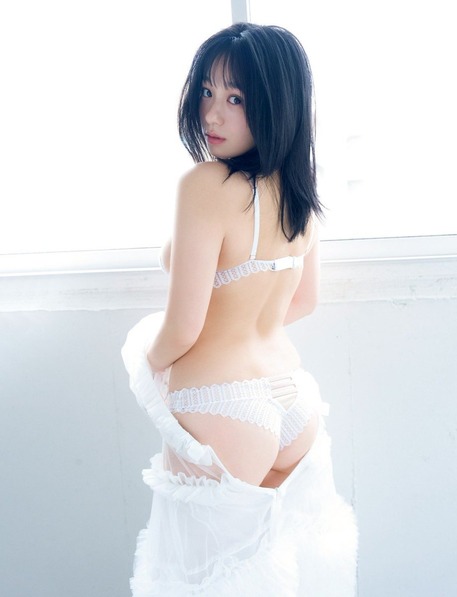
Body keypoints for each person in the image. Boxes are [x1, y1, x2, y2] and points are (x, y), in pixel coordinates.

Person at [122, 22, 357, 596]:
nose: (212, 113)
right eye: (207, 91)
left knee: (200, 583)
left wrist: (148, 367)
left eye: (236, 98)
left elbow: (184, 326)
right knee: (281, 573)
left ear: (276, 105)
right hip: (292, 401)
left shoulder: (206, 185)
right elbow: (304, 300)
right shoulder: (299, 189)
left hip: (222, 409)